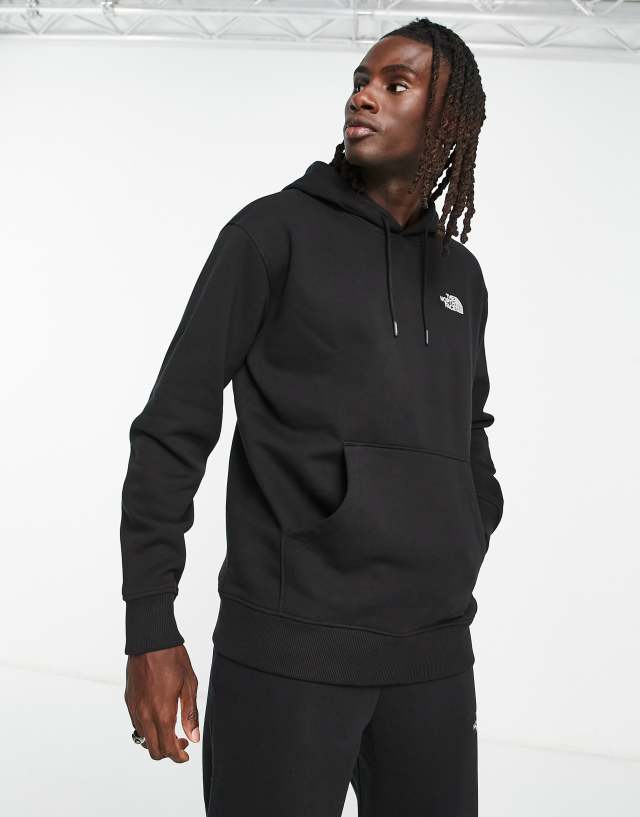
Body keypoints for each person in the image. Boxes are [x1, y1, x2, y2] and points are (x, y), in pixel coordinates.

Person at [121, 15, 504, 817]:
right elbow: (173, 426)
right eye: (361, 81)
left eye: (395, 84)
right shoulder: (271, 235)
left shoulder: (461, 277)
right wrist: (151, 625)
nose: (363, 96)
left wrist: (464, 523)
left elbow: (468, 428)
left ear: (448, 120)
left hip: (433, 655)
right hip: (288, 650)